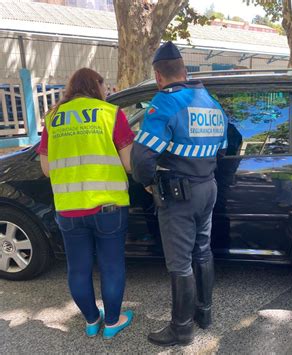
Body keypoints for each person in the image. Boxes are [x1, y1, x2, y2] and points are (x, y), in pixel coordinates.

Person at [131, 41, 228, 346]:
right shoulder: (210, 102)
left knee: (180, 263)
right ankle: (204, 313)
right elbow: (225, 146)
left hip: (179, 195)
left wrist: (147, 183)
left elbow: (141, 157)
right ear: (185, 71)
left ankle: (181, 328)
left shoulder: (165, 103)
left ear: (158, 77)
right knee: (203, 250)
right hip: (208, 187)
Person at [37, 68, 134, 339]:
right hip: (108, 207)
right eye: (104, 86)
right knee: (111, 265)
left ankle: (92, 320)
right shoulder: (110, 113)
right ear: (97, 85)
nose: (106, 92)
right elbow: (129, 162)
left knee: (78, 268)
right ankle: (113, 322)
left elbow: (46, 168)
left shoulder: (54, 118)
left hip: (68, 208)